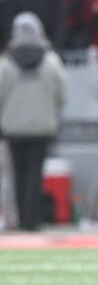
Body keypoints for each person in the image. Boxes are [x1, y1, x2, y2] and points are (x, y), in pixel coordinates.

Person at [0, 13, 66, 231]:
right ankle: (32, 220)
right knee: (35, 175)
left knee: (17, 175)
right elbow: (62, 94)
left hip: (13, 126)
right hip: (42, 125)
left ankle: (19, 219)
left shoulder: (7, 64)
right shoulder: (51, 62)